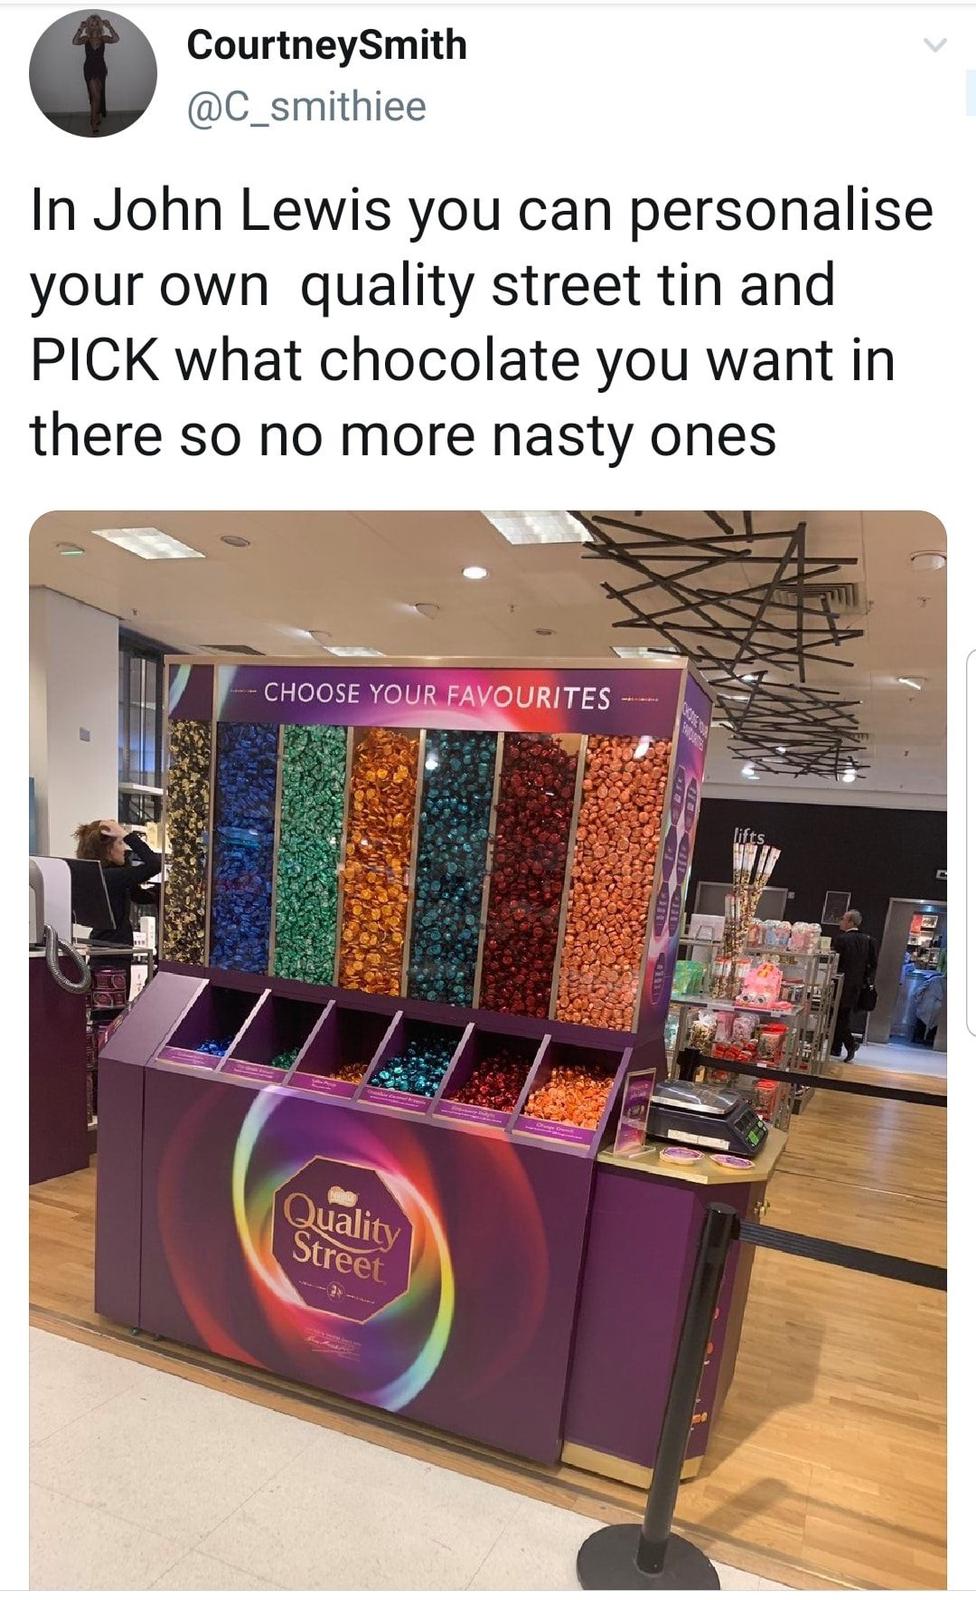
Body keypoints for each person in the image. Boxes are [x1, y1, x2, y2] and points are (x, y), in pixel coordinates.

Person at [73, 819, 161, 949]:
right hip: (112, 950)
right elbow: (154, 864)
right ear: (108, 850)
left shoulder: (106, 876)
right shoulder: (110, 877)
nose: (124, 849)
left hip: (109, 947)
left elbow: (140, 896)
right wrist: (125, 834)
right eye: (120, 843)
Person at [831, 909, 877, 1063]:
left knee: (836, 1017)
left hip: (841, 984)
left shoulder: (841, 940)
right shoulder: (868, 940)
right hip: (857, 986)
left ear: (850, 922)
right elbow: (873, 964)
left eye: (843, 919)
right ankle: (836, 1048)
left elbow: (835, 964)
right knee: (843, 1016)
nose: (840, 921)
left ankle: (850, 1044)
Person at [72, 13, 119, 135]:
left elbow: (116, 39)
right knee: (96, 96)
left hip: (101, 69)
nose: (94, 26)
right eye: (91, 24)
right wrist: (80, 28)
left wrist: (109, 26)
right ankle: (93, 121)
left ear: (99, 25)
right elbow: (75, 42)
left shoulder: (103, 38)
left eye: (96, 24)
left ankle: (96, 115)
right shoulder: (86, 39)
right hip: (89, 69)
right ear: (89, 26)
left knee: (97, 95)